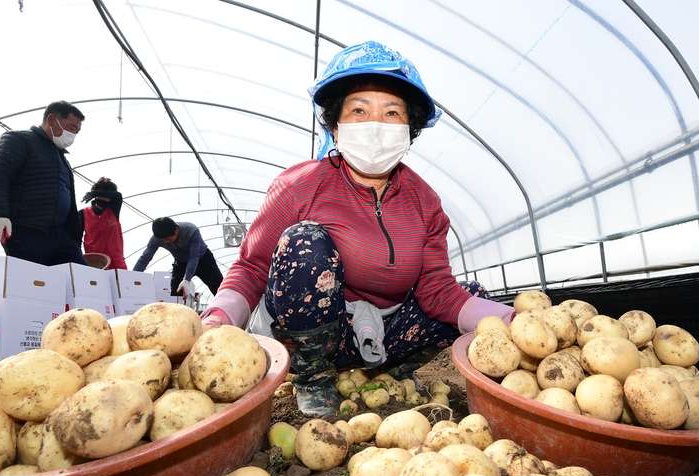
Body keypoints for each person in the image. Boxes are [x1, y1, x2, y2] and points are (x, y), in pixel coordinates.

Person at [199, 41, 515, 416]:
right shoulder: (299, 186)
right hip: (314, 331)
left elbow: (437, 291)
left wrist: (512, 319)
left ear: (411, 126)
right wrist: (218, 320)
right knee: (305, 242)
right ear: (335, 123)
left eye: (392, 112)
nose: (375, 126)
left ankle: (387, 367)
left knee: (471, 295)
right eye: (359, 110)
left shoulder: (425, 201)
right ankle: (314, 378)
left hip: (382, 329)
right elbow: (251, 269)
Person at [0, 100, 88, 266]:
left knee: (80, 278)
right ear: (52, 120)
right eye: (71, 127)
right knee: (32, 284)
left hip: (61, 235)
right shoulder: (20, 139)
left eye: (77, 131)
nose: (74, 134)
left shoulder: (61, 157)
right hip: (26, 230)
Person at [133, 217, 224, 301]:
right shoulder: (156, 239)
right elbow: (145, 258)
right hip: (181, 263)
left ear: (176, 230)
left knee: (220, 289)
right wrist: (133, 276)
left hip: (204, 261)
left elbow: (193, 257)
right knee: (175, 293)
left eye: (168, 239)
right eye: (163, 240)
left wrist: (186, 280)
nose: (166, 242)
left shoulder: (191, 231)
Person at [80, 176, 127, 269]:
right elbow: (76, 239)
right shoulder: (83, 214)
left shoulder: (114, 210)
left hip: (117, 261)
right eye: (101, 196)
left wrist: (95, 193)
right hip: (95, 263)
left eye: (107, 196)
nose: (104, 199)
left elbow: (118, 195)